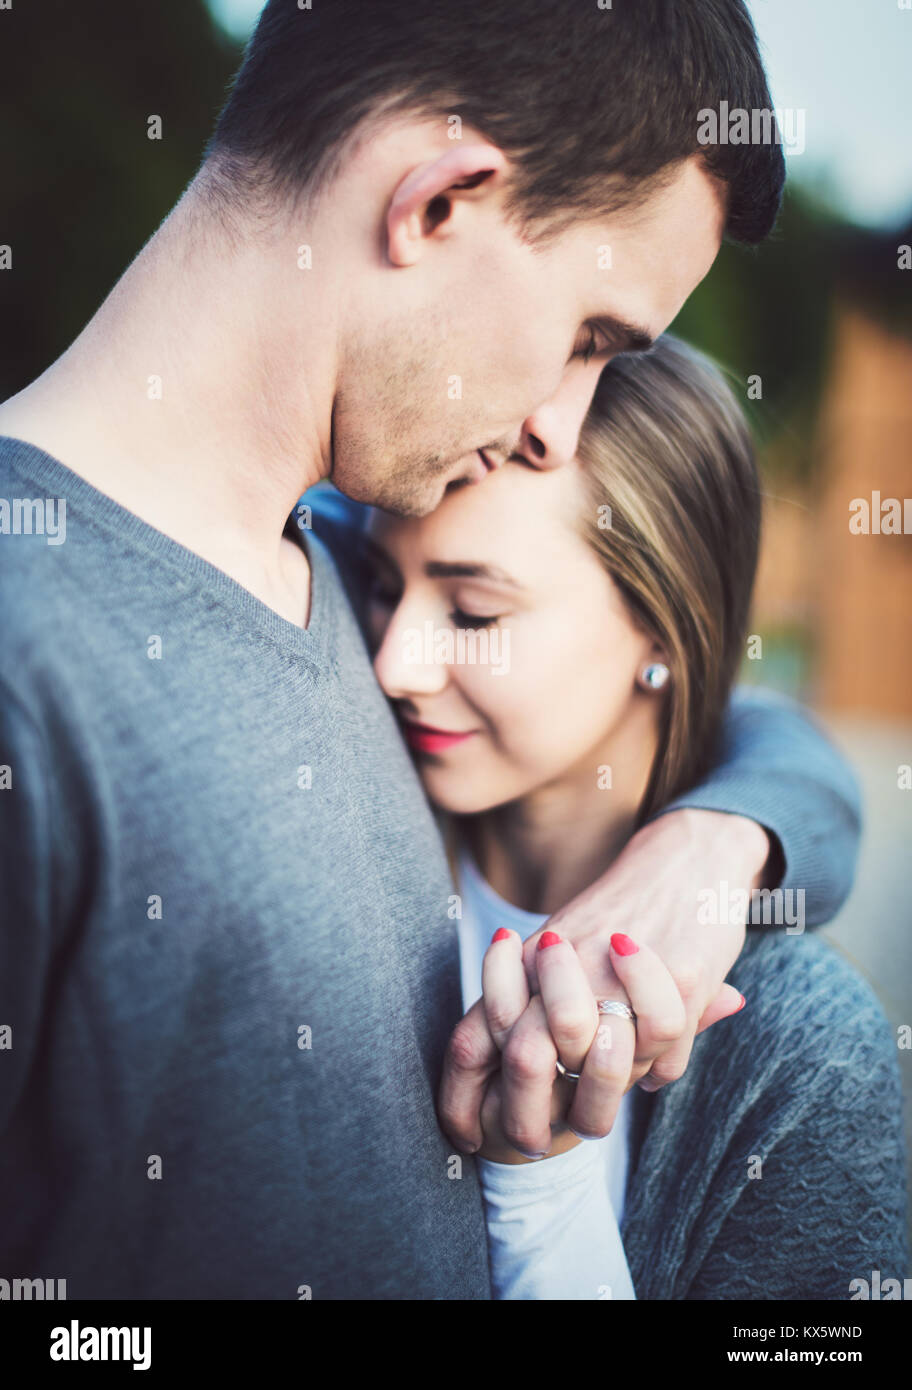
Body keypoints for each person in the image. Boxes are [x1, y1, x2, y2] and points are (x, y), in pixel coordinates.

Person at [0, 1, 862, 1297]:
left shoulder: (340, 572)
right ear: (439, 204)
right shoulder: (36, 654)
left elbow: (723, 705)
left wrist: (720, 839)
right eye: (588, 336)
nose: (564, 428)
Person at [334, 334, 906, 1298]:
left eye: (474, 614)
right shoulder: (330, 857)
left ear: (664, 627)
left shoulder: (805, 1050)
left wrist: (541, 1184)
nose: (394, 663)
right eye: (382, 588)